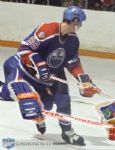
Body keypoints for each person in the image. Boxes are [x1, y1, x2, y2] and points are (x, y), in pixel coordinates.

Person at [0, 6, 100, 146]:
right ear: (74, 21)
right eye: (79, 23)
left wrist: (83, 79)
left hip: (50, 76)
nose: (79, 26)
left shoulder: (73, 40)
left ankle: (67, 132)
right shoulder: (46, 29)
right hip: (24, 70)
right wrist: (39, 63)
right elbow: (24, 49)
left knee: (55, 103)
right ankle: (3, 89)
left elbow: (73, 63)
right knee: (17, 93)